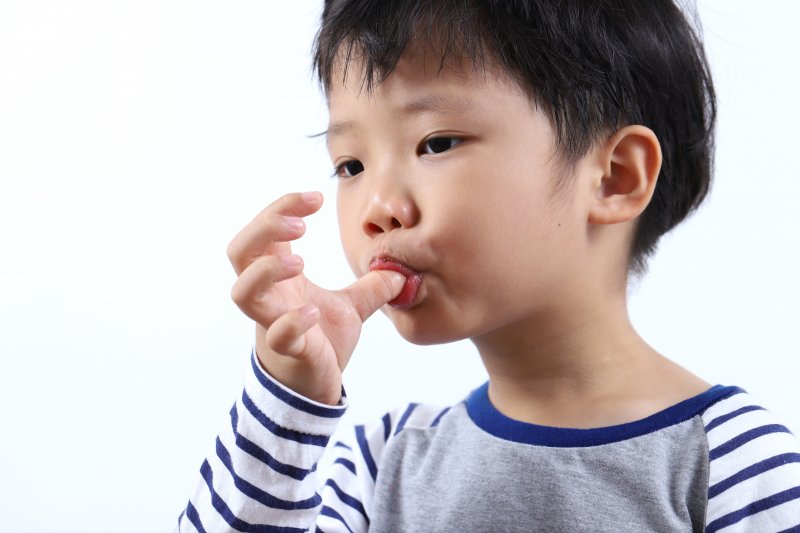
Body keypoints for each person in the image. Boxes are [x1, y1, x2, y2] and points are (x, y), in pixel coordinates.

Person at [178, 1, 800, 531]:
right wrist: (289, 397)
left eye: (436, 143)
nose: (378, 209)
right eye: (351, 165)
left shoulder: (731, 464)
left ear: (614, 177)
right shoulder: (381, 466)